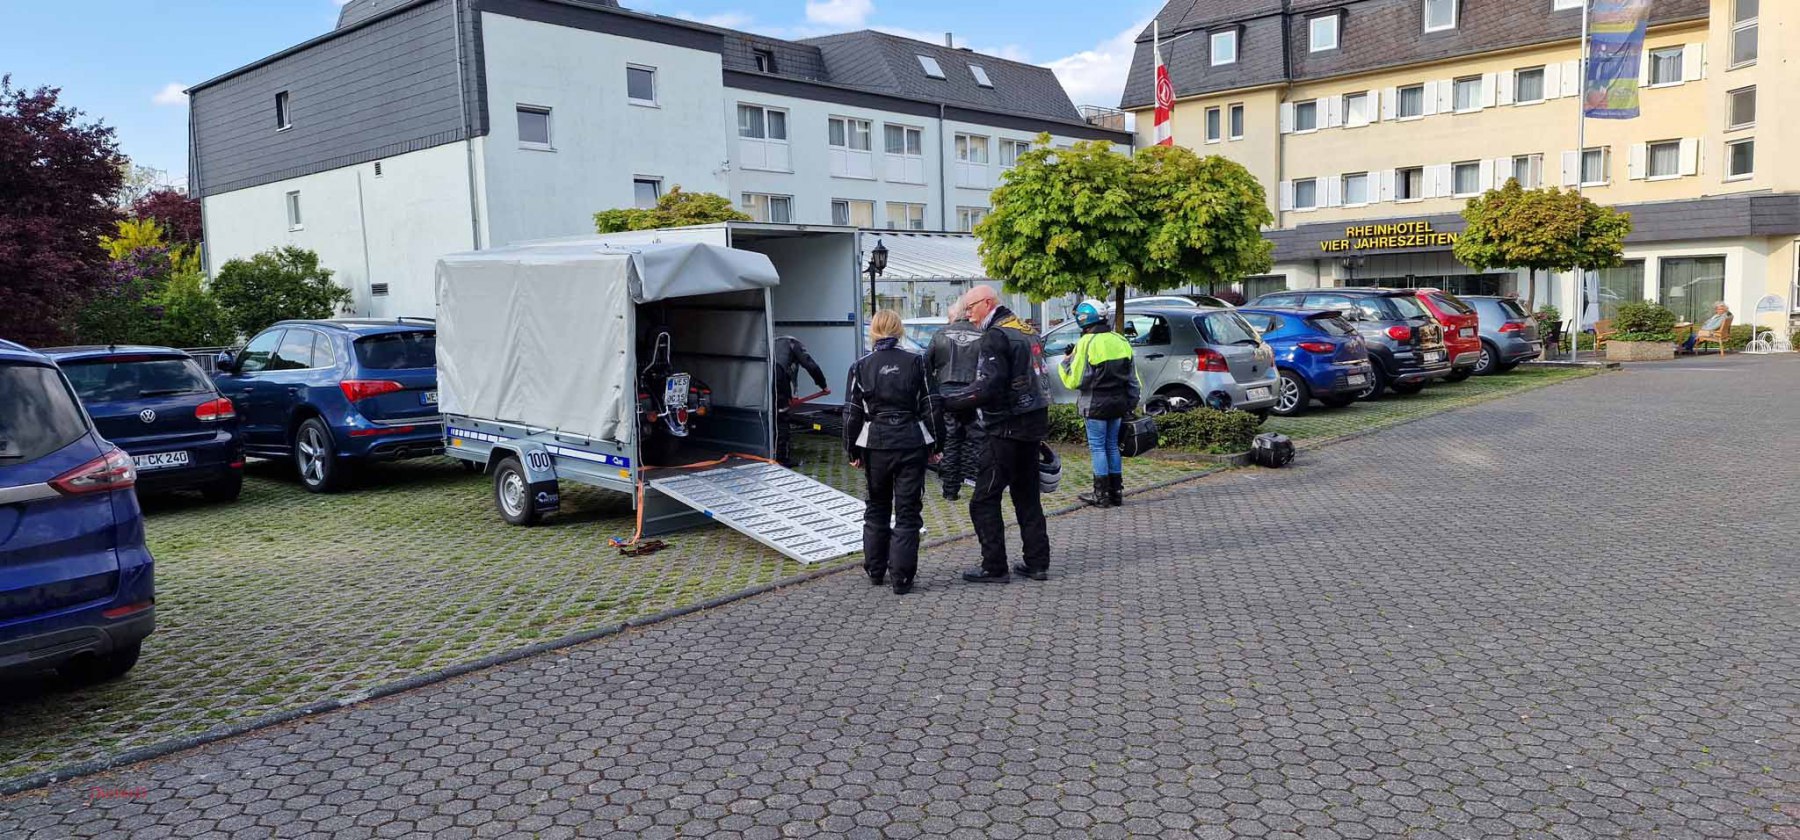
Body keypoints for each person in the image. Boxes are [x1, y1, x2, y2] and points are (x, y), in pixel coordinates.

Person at [944, 286, 1052, 583]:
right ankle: (1037, 563)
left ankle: (994, 566)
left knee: (983, 500)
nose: (968, 314)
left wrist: (950, 402)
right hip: (1032, 426)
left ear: (988, 303)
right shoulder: (1026, 329)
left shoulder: (996, 335)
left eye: (971, 308)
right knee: (1027, 497)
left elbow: (988, 387)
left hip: (1005, 428)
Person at [844, 310, 943, 595]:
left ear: (874, 331)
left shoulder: (860, 366)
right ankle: (902, 578)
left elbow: (851, 412)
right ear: (899, 331)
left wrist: (852, 450)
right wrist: (937, 445)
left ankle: (875, 570)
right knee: (907, 511)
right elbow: (931, 405)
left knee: (877, 507)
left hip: (876, 444)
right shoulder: (917, 362)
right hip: (911, 442)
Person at [1058, 301, 1139, 508]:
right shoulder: (1120, 340)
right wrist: (1131, 403)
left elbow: (1075, 380)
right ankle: (1116, 493)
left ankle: (1101, 495)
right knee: (1112, 446)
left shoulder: (1086, 343)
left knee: (1098, 448)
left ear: (1083, 319)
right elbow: (1133, 379)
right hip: (1118, 404)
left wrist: (1066, 362)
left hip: (1095, 404)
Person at [925, 300, 986, 501]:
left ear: (953, 316)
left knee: (951, 442)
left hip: (947, 396)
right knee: (979, 442)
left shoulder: (940, 334)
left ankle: (950, 491)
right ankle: (983, 487)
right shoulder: (982, 335)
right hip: (974, 395)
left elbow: (925, 366)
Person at [773, 335, 829, 467]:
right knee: (782, 417)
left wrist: (793, 394)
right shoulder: (794, 344)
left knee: (770, 415)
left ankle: (768, 452)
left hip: (762, 375)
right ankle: (782, 459)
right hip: (778, 376)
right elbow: (811, 366)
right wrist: (823, 385)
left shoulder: (774, 343)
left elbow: (793, 373)